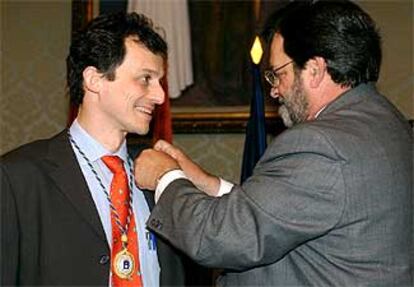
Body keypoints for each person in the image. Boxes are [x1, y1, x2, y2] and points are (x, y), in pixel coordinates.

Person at [134, 1, 413, 286]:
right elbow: (288, 213)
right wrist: (207, 183)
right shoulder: (390, 125)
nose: (275, 90)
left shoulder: (321, 143)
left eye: (278, 74)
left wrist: (165, 177)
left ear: (315, 70)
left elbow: (220, 238)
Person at [1, 12, 195, 286]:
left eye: (159, 82)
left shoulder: (160, 179)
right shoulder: (17, 178)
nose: (160, 96)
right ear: (94, 79)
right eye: (145, 78)